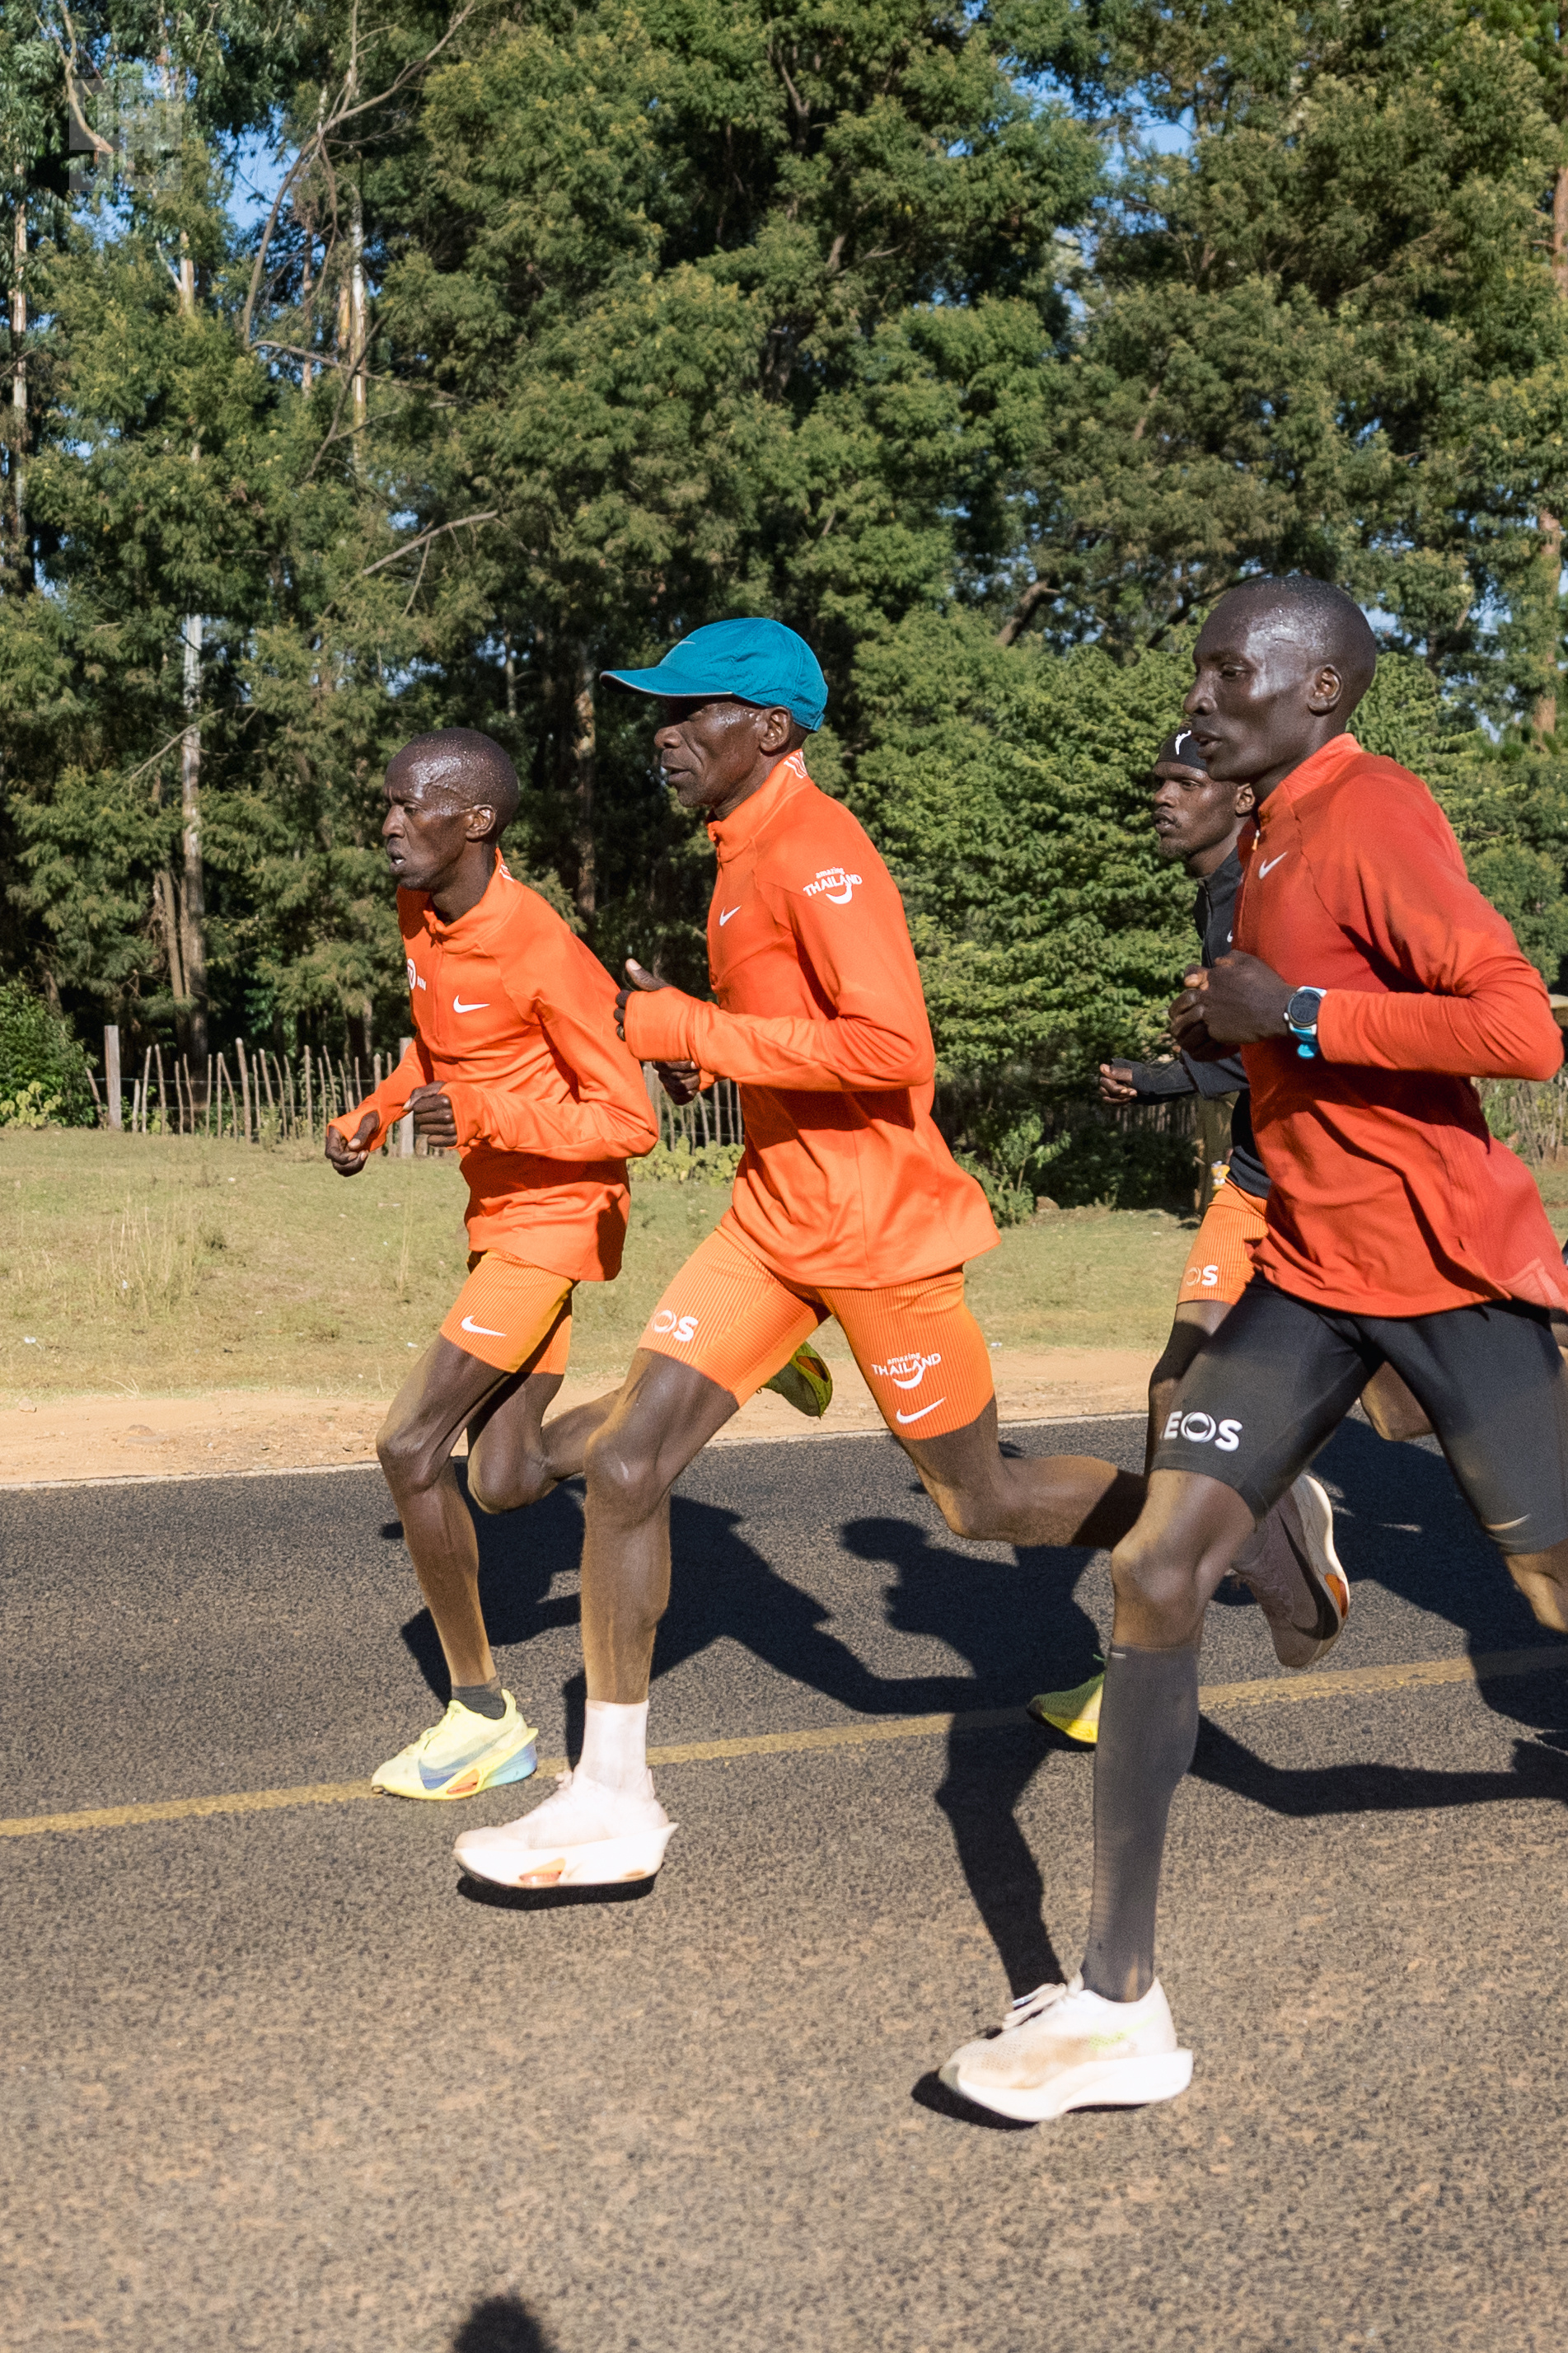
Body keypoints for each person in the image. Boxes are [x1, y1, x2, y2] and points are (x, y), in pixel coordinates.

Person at [443, 619, 1334, 1893]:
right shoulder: (740, 846)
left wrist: (692, 1022)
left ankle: (1225, 1514)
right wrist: (715, 1038)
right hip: (771, 1218)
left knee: (975, 1502)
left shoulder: (819, 848)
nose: (664, 729)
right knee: (630, 1459)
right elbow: (793, 1032)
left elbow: (890, 1050)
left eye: (690, 708)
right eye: (659, 707)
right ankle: (609, 1795)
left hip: (873, 1232)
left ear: (770, 728)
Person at [940, 574, 1568, 2122]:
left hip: (1438, 1273)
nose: (1200, 695)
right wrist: (1223, 1045)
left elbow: (1517, 1027)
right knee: (1156, 1571)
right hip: (1302, 1263)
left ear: (1318, 695)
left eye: (1227, 673)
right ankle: (1114, 2007)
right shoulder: (1269, 824)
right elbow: (1292, 1017)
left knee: (1554, 1588)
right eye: (1201, 667)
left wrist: (1289, 1014)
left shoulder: (1370, 811)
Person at [1028, 727, 1421, 1741]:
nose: (1161, 795)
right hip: (1256, 1183)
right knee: (1176, 1385)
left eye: (1183, 781)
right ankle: (1150, 1663)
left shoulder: (1269, 891)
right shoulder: (1217, 897)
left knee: (1413, 1410)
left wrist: (1166, 1076)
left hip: (1334, 1186)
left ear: (1240, 800)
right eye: (1156, 775)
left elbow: (1296, 1044)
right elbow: (1254, 1054)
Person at [325, 728, 665, 1800]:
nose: (386, 824)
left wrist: (479, 1110)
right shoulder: (418, 911)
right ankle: (713, 1378)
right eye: (383, 803)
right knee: (507, 1476)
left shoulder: (542, 948)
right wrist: (375, 1113)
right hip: (498, 1212)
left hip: (562, 1213)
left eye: (406, 806)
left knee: (410, 1445)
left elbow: (629, 1117)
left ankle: (480, 1715)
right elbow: (438, 1044)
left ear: (474, 820)